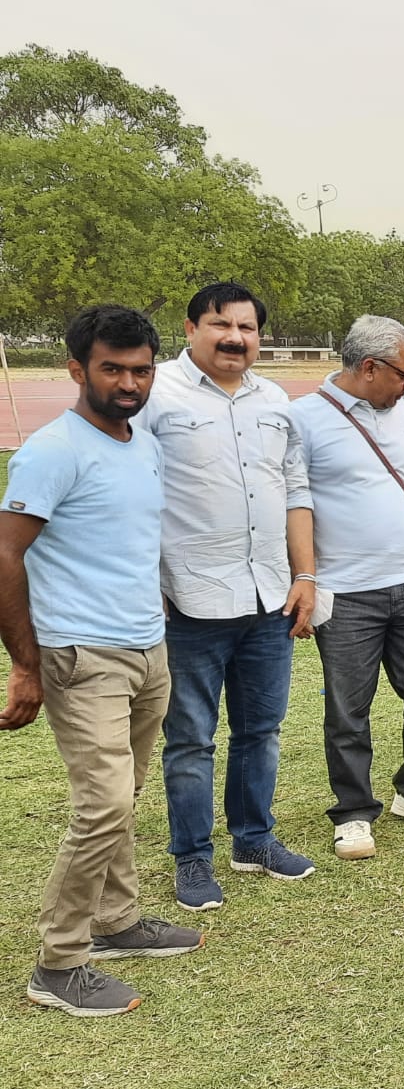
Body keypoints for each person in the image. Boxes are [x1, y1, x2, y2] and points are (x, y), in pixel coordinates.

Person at [1, 305, 204, 1018]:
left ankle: (116, 922)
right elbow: (5, 554)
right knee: (104, 805)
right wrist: (26, 666)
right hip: (81, 655)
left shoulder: (139, 442)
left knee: (125, 795)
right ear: (76, 369)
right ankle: (58, 964)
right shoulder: (53, 451)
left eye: (140, 370)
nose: (128, 383)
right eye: (111, 368)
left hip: (147, 647)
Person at [137, 282, 318, 913]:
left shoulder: (275, 400)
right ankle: (192, 857)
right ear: (191, 328)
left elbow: (296, 491)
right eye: (220, 324)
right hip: (188, 600)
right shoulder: (156, 394)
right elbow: (131, 491)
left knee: (261, 731)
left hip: (268, 597)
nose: (235, 338)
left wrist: (305, 576)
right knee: (191, 740)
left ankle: (254, 840)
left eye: (247, 327)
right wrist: (149, 581)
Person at [290, 315, 404, 862]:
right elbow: (296, 502)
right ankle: (353, 811)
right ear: (369, 367)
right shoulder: (302, 419)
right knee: (349, 709)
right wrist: (306, 578)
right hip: (347, 592)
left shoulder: (400, 412)